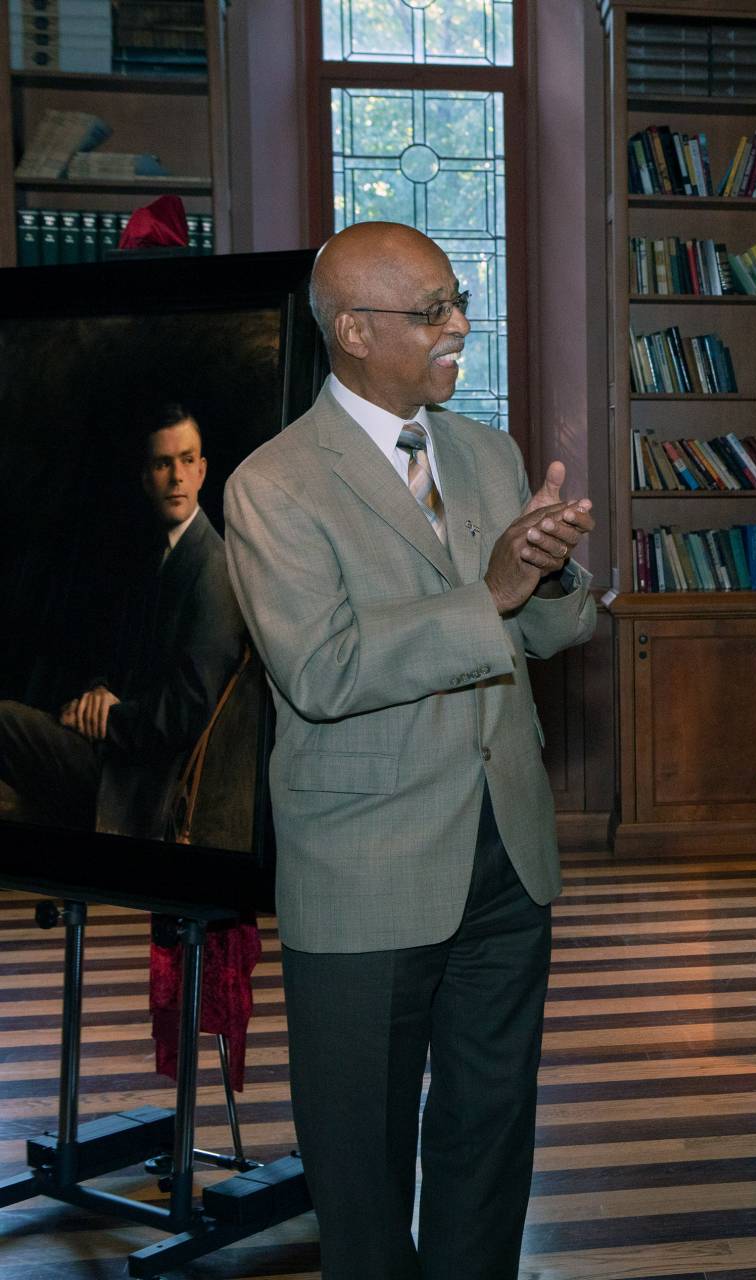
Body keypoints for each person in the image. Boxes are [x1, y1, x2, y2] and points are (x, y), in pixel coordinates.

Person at [223, 222, 596, 1279]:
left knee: (490, 1141)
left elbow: (542, 631)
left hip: (506, 855)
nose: (460, 326)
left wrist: (553, 574)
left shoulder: (485, 449)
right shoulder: (272, 485)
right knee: (363, 1169)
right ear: (351, 330)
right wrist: (490, 592)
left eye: (456, 299)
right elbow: (325, 669)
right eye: (431, 309)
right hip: (367, 867)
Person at [0, 404, 245, 839]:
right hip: (114, 752)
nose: (176, 478)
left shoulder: (213, 570)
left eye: (187, 461)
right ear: (145, 478)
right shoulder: (155, 558)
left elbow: (188, 710)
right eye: (162, 463)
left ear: (203, 471)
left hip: (137, 783)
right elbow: (120, 659)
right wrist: (97, 691)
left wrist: (107, 720)